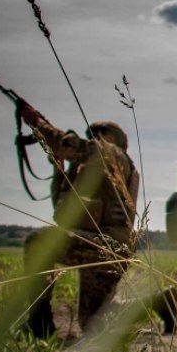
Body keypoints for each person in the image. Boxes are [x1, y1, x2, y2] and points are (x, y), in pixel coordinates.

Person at [19, 102, 139, 338]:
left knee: (38, 242)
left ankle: (39, 321)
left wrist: (38, 124)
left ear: (113, 139)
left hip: (106, 247)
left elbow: (74, 145)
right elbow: (61, 212)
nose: (94, 138)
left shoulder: (115, 156)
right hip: (92, 245)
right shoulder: (88, 171)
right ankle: (159, 301)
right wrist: (59, 169)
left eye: (99, 134)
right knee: (94, 321)